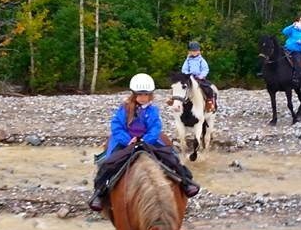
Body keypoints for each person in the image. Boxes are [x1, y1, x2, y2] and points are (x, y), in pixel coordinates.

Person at [88, 73, 200, 212]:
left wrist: (145, 140)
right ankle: (99, 192)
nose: (142, 98)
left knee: (171, 157)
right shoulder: (125, 108)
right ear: (134, 94)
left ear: (150, 95)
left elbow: (155, 127)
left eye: (145, 94)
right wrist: (128, 140)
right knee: (108, 163)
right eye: (139, 94)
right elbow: (116, 126)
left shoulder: (152, 110)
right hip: (126, 141)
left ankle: (185, 181)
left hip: (147, 141)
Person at [181, 41, 216, 111]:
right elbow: (184, 69)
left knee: (207, 87)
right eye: (192, 51)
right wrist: (187, 74)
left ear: (199, 51)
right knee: (181, 86)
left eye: (195, 51)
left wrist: (201, 75)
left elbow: (205, 69)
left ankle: (209, 101)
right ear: (189, 52)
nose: (194, 52)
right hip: (190, 77)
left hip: (199, 78)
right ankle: (177, 101)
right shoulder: (187, 60)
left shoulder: (201, 60)